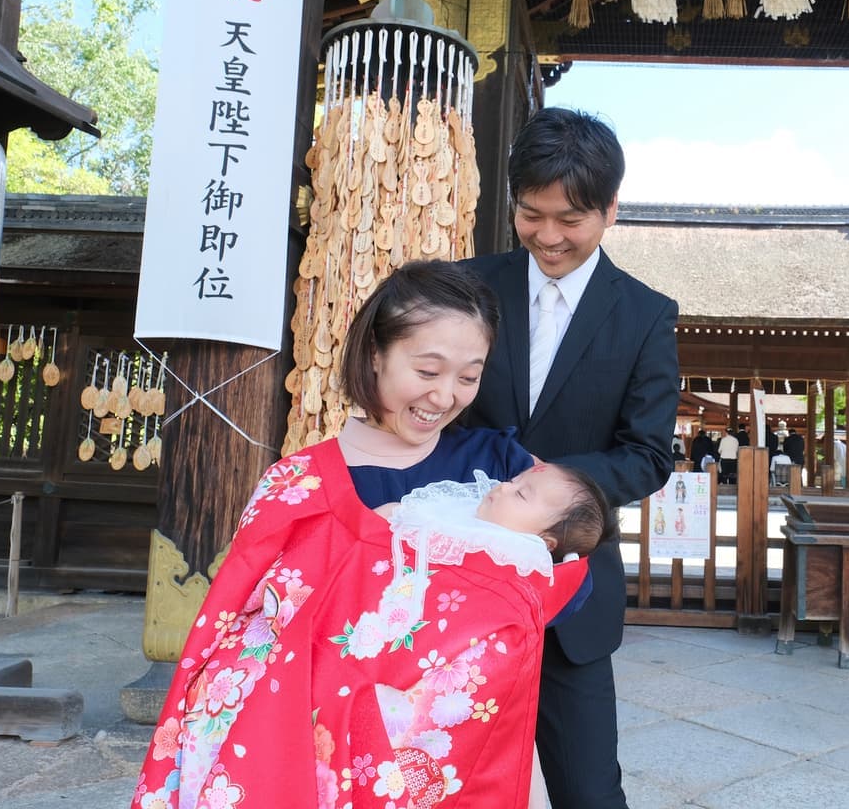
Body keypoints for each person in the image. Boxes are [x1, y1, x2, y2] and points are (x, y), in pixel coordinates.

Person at [129, 262, 595, 809]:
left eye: (468, 377)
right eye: (427, 371)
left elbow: (558, 574)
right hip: (314, 747)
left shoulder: (499, 469)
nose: (445, 397)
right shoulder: (299, 482)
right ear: (375, 354)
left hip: (462, 751)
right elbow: (241, 624)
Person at [462, 107, 679, 809]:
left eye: (571, 219)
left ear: (611, 209)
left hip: (570, 594)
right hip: (454, 583)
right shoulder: (466, 288)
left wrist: (543, 485)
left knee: (589, 792)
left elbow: (646, 455)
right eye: (531, 215)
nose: (548, 237)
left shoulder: (646, 314)